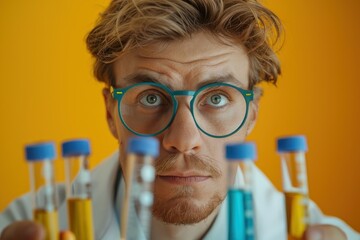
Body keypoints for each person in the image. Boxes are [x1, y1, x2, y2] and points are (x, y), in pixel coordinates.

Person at [0, 0, 359, 239]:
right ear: (111, 113)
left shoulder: (319, 233)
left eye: (217, 98)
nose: (183, 139)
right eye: (151, 97)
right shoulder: (24, 225)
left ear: (252, 113)